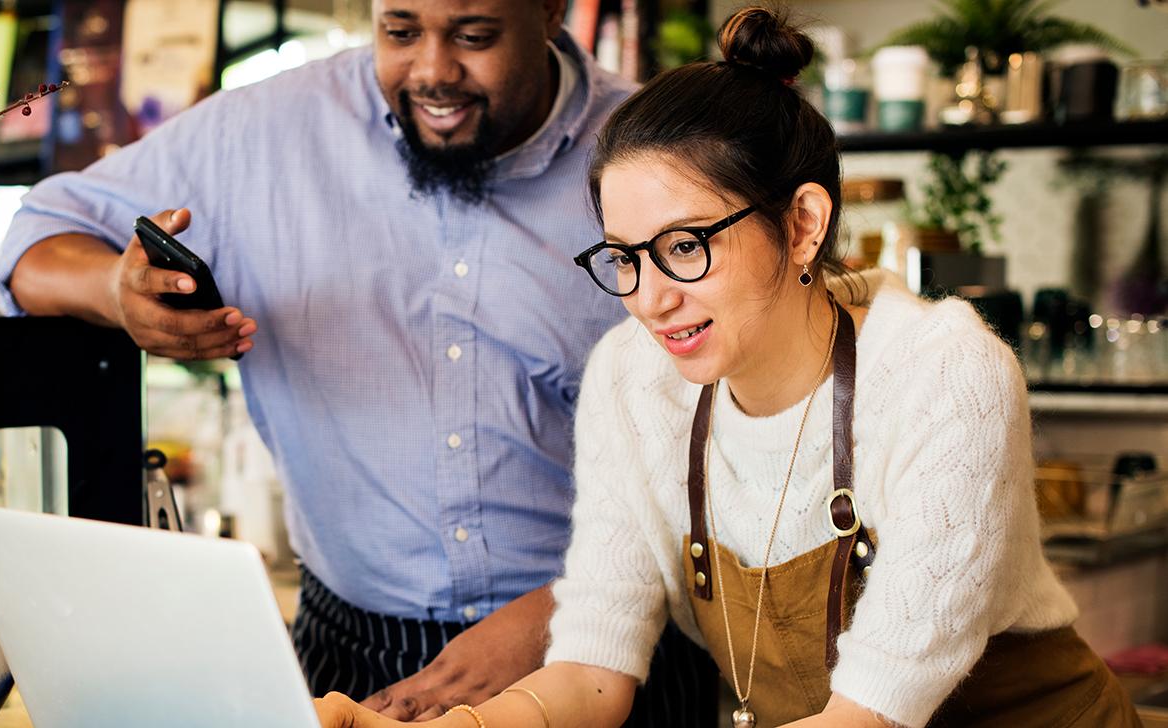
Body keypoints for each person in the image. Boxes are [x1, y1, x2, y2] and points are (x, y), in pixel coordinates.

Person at [314, 7, 1143, 728]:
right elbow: (591, 672)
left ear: (803, 224)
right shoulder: (632, 379)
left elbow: (872, 711)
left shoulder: (943, 373)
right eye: (624, 258)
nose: (648, 300)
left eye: (684, 247)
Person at [0, 1, 717, 725]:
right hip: (356, 660)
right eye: (400, 32)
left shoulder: (663, 154)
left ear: (551, 13)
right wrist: (119, 296)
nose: (433, 71)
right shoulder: (262, 134)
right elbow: (36, 237)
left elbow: (762, 445)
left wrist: (561, 615)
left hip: (618, 647)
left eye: (474, 36)